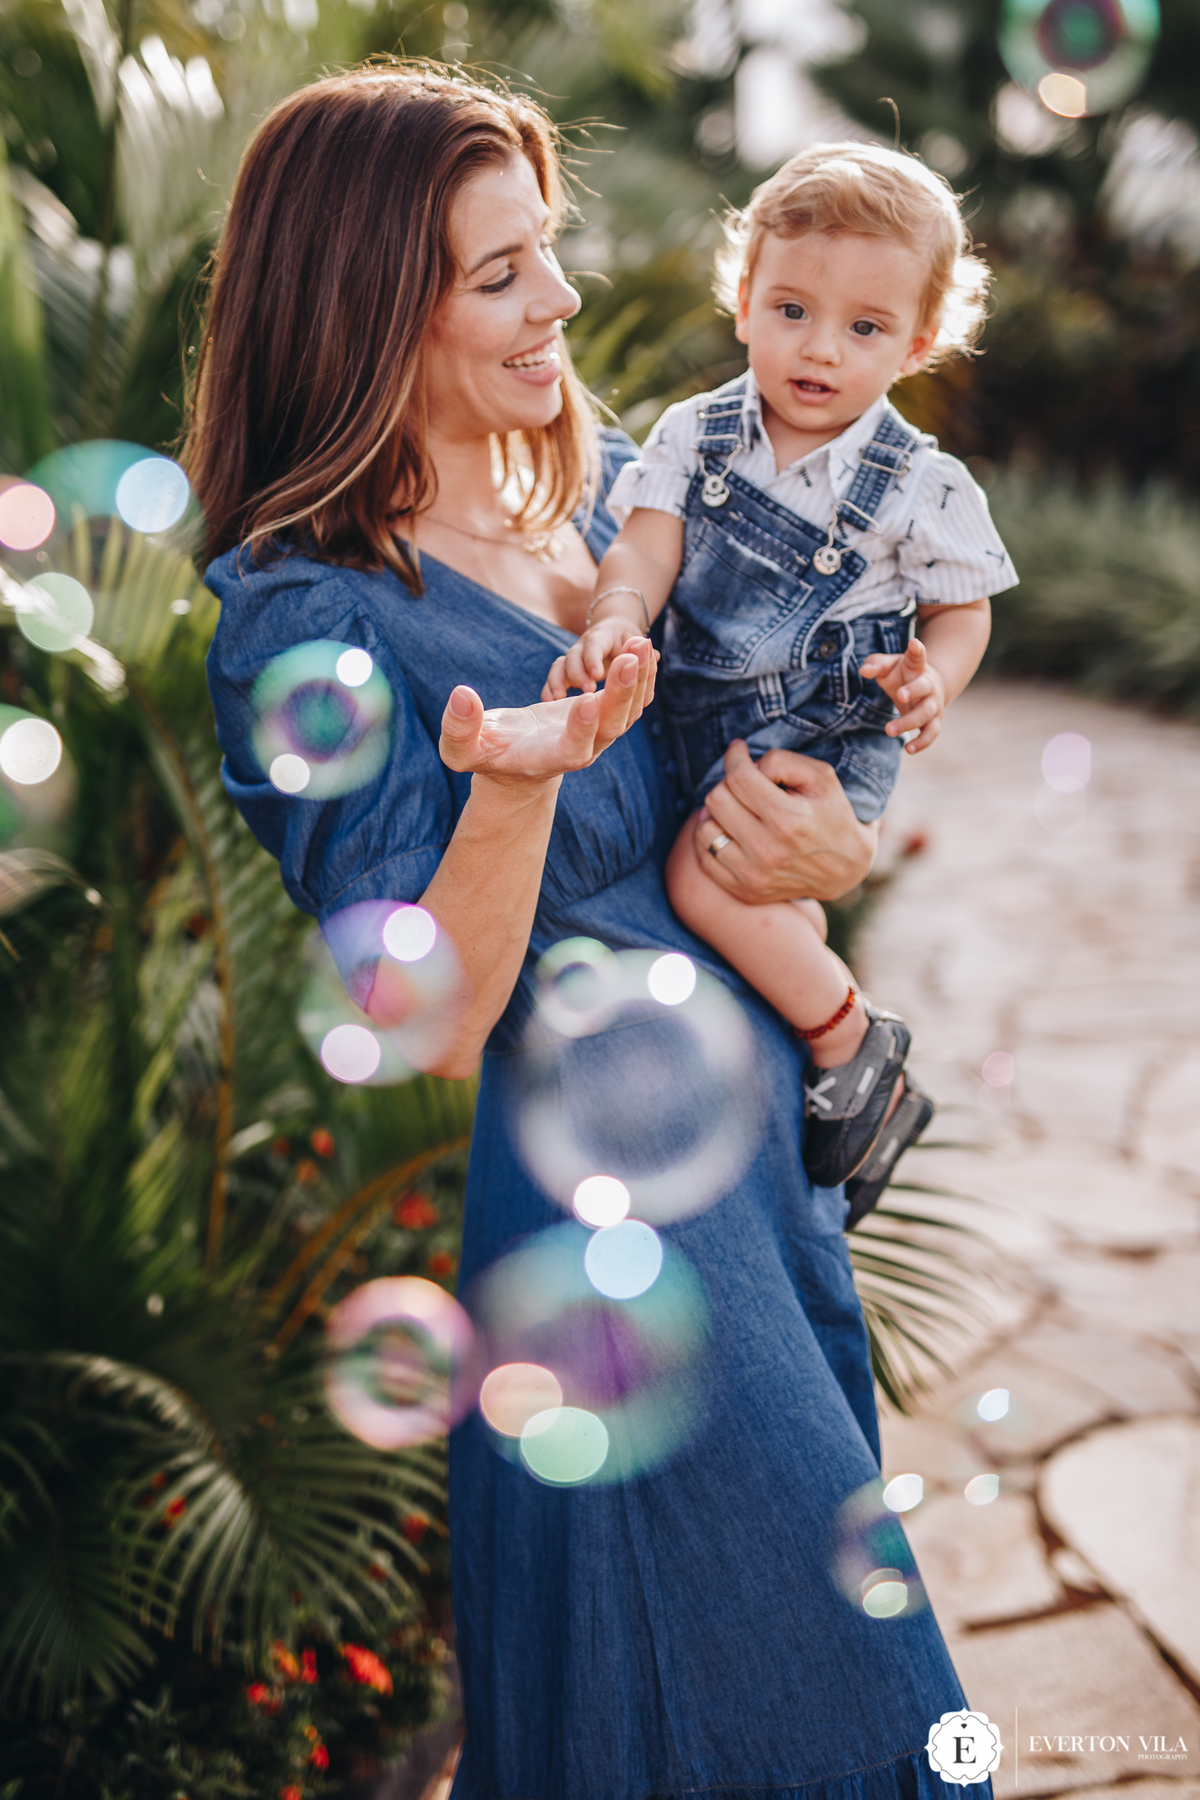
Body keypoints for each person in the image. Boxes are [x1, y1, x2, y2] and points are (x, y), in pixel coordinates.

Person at [193, 67, 987, 1800]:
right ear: (360, 308)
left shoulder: (614, 482)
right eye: (497, 274)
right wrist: (517, 782)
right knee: (817, 1712)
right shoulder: (302, 616)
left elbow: (791, 738)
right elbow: (437, 1017)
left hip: (754, 1154)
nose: (558, 298)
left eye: (542, 249)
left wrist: (821, 838)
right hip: (614, 1225)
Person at [545, 145, 1017, 1217]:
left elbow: (963, 608)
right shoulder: (695, 432)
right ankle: (808, 1048)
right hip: (698, 714)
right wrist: (617, 612)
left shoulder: (919, 484)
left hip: (821, 737)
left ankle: (858, 1048)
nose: (820, 349)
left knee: (707, 882)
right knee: (761, 910)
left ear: (919, 341)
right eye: (793, 308)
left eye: (865, 328)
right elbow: (646, 550)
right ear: (744, 298)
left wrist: (933, 681)